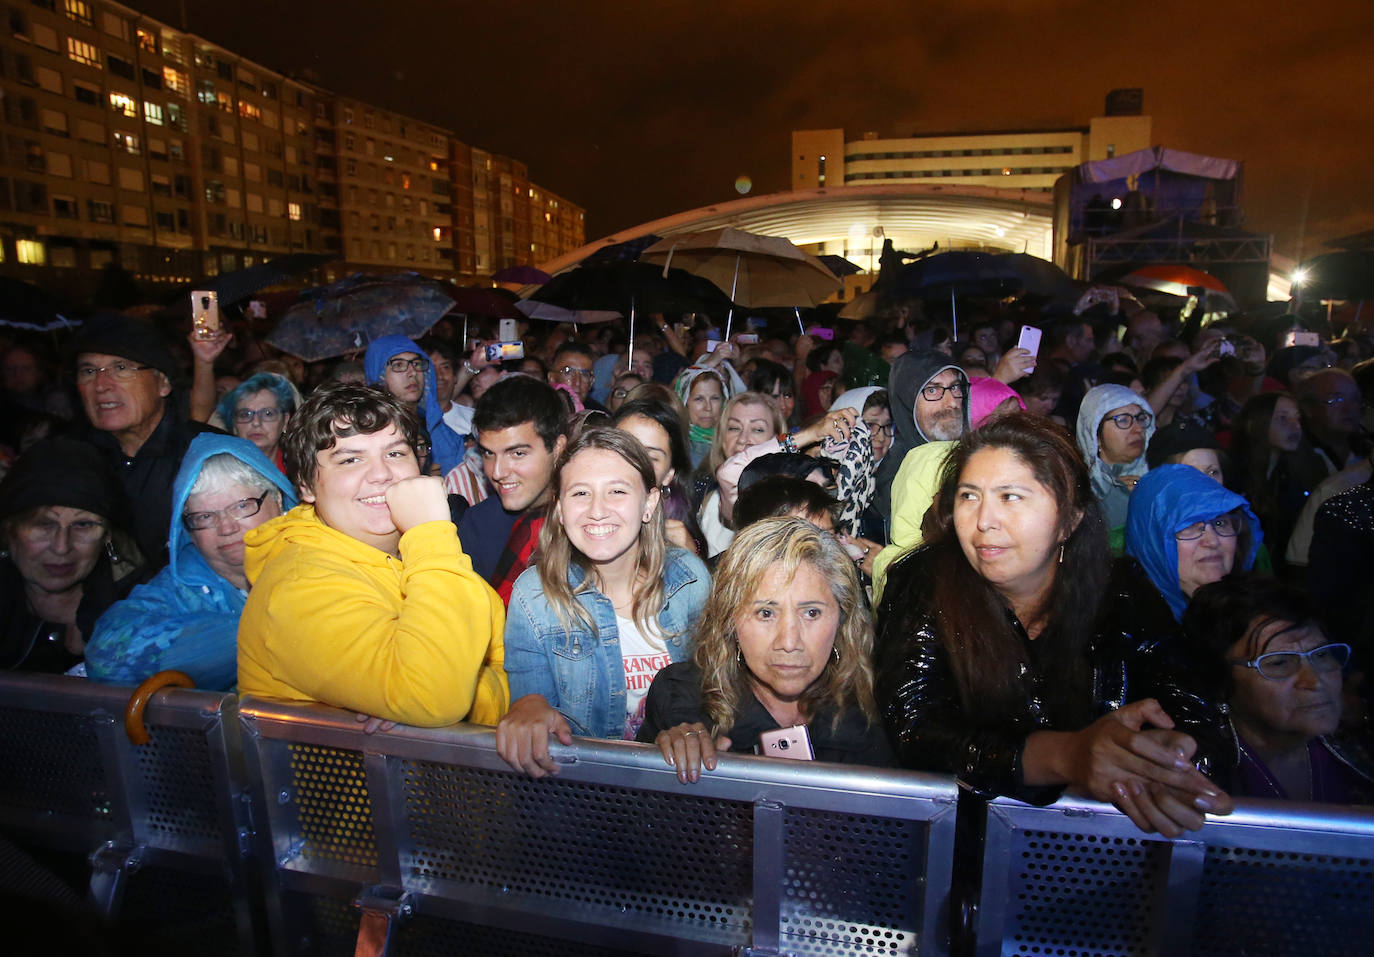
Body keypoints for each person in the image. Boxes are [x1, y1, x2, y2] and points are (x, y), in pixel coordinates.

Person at [877, 413, 1231, 837]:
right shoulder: (925, 581)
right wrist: (1069, 756)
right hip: (964, 841)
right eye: (969, 496)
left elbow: (1200, 716)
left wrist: (1166, 758)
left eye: (1011, 497)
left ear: (1069, 519)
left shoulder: (1121, 593)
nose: (984, 520)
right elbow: (915, 727)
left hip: (1102, 849)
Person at [237, 385, 508, 727]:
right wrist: (430, 534)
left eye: (395, 454)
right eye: (350, 459)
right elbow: (435, 697)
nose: (381, 474)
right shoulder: (298, 585)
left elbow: (502, 651)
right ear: (305, 485)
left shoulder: (408, 550)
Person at [496, 428, 711, 775]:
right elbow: (529, 697)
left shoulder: (689, 579)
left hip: (680, 788)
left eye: (617, 491)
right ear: (560, 509)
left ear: (650, 503)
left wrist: (692, 726)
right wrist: (528, 709)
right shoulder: (534, 594)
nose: (597, 511)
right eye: (580, 493)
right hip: (583, 796)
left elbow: (716, 685)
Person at [640, 517, 894, 782]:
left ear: (842, 618)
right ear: (730, 619)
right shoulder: (681, 701)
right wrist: (664, 770)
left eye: (811, 612)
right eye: (765, 613)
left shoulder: (877, 711)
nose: (789, 642)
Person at [86, 435, 296, 689]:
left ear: (278, 500)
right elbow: (106, 660)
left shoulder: (318, 559)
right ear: (188, 531)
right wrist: (270, 631)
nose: (226, 527)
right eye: (205, 516)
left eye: (242, 506)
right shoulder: (181, 586)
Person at [1183, 575, 1373, 803]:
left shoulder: (1360, 748)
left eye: (1321, 655)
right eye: (1280, 662)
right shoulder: (1192, 775)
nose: (1315, 681)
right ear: (1220, 678)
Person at [69, 312, 219, 565]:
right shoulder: (68, 461)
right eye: (89, 370)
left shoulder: (208, 457)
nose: (101, 384)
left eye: (120, 368)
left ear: (163, 384)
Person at [0, 438, 142, 673]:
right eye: (43, 524)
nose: (61, 547)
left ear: (107, 535)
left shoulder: (143, 607)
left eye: (83, 525)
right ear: (9, 531)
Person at [457, 375, 568, 601]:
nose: (497, 472)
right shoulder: (478, 524)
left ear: (557, 449)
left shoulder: (588, 519)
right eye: (488, 453)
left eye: (517, 454)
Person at [1124, 465, 1262, 621]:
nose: (1212, 541)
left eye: (1220, 523)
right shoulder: (1128, 630)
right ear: (1152, 544)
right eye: (1189, 526)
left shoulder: (1258, 619)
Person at [874, 349, 971, 528]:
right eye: (933, 390)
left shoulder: (976, 455)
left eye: (955, 387)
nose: (951, 402)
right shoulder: (896, 476)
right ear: (907, 402)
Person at [363, 335, 465, 479]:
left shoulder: (447, 437)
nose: (412, 373)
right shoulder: (364, 436)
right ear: (378, 375)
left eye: (417, 364)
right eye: (398, 365)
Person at [611, 398, 704, 555]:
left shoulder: (679, 545)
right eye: (624, 450)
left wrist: (690, 559)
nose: (635, 464)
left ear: (669, 474)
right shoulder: (577, 520)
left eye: (651, 457)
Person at [1076, 383, 1156, 529]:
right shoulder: (1079, 493)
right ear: (1096, 435)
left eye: (1140, 418)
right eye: (1123, 420)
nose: (1138, 429)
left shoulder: (1159, 475)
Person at [216, 372, 299, 471]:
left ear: (285, 421)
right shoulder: (217, 470)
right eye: (245, 414)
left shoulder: (300, 472)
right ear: (234, 424)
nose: (256, 423)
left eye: (268, 413)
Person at [674, 366, 729, 468]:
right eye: (699, 399)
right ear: (684, 402)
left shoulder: (734, 443)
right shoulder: (675, 447)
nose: (708, 407)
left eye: (715, 398)